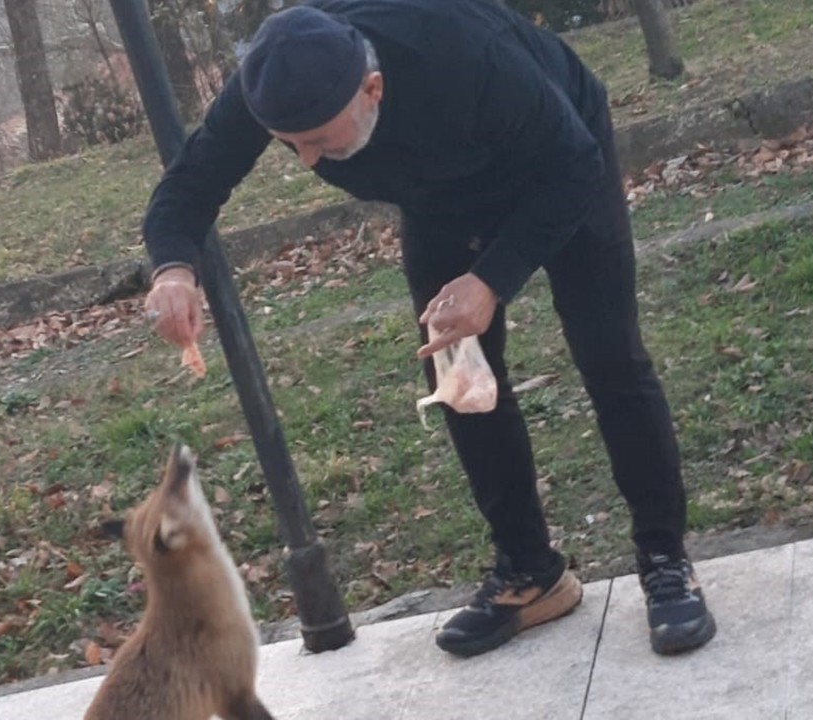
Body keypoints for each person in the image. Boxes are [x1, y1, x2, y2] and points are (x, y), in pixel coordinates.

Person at [140, 0, 717, 658]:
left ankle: (666, 562)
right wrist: (174, 271)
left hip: (556, 162)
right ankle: (531, 572)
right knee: (457, 377)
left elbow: (574, 166)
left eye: (321, 141)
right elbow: (188, 188)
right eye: (289, 144)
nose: (306, 161)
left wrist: (491, 280)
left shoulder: (464, 53)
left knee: (609, 355)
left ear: (372, 87)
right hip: (440, 196)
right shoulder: (275, 82)